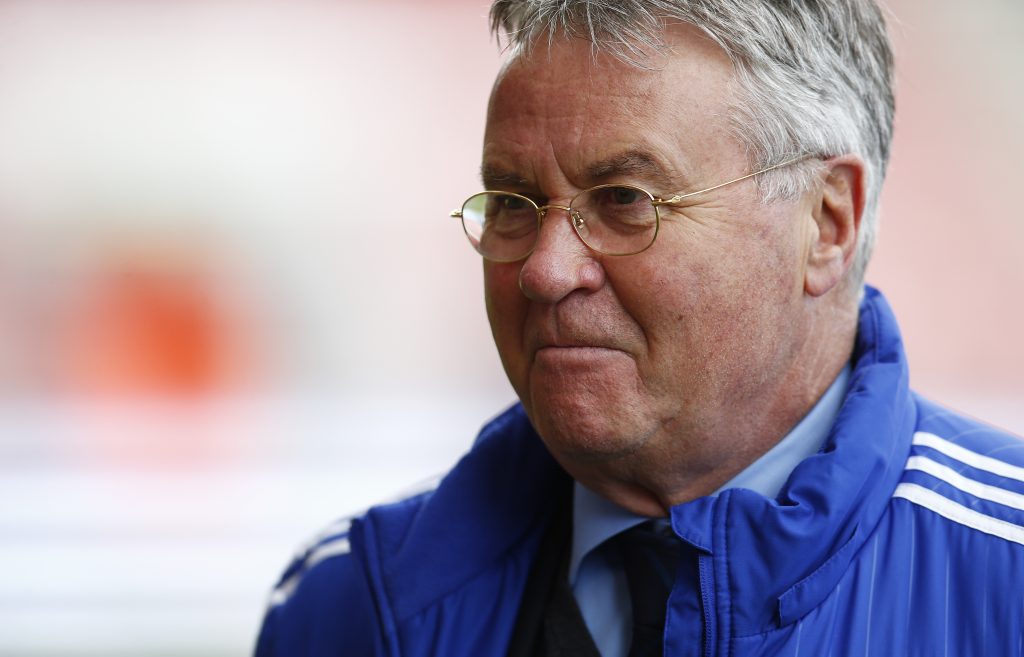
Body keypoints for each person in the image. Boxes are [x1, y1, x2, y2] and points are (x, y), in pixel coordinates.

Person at [255, 1, 1024, 655]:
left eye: (624, 200)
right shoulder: (353, 604)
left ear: (827, 223)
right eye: (514, 203)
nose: (545, 271)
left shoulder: (1004, 577)